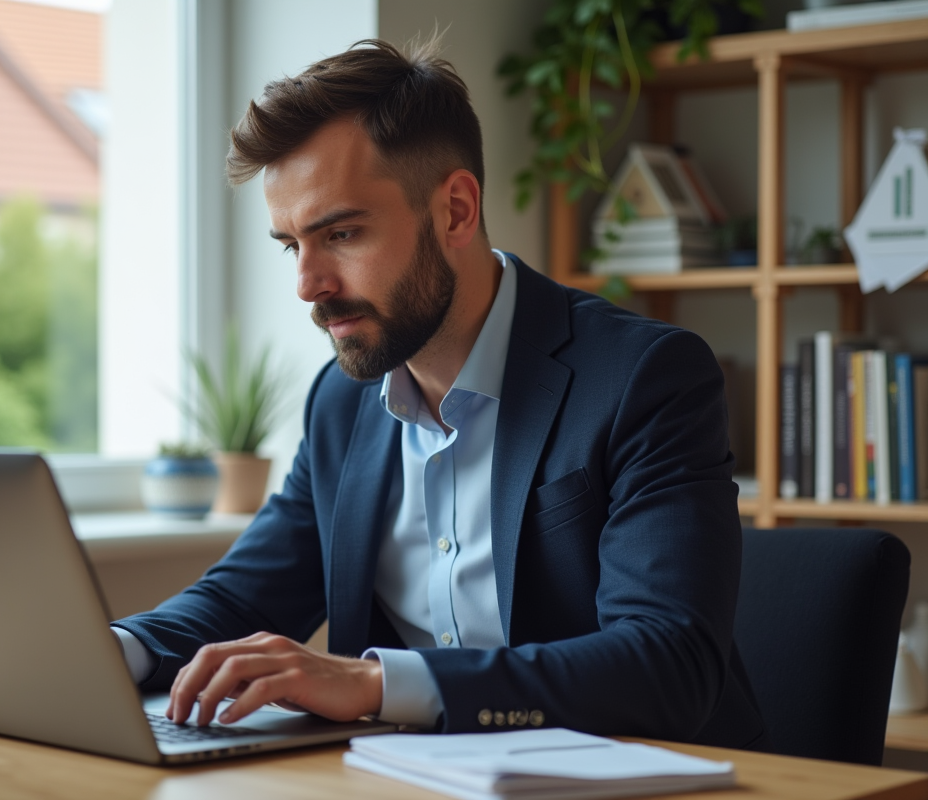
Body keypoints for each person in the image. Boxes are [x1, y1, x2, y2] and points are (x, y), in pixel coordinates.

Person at [110, 38, 769, 749]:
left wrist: (373, 684)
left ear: (456, 210)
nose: (308, 284)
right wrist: (113, 655)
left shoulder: (645, 377)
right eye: (291, 244)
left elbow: (668, 664)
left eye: (342, 232)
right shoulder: (340, 402)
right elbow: (245, 596)